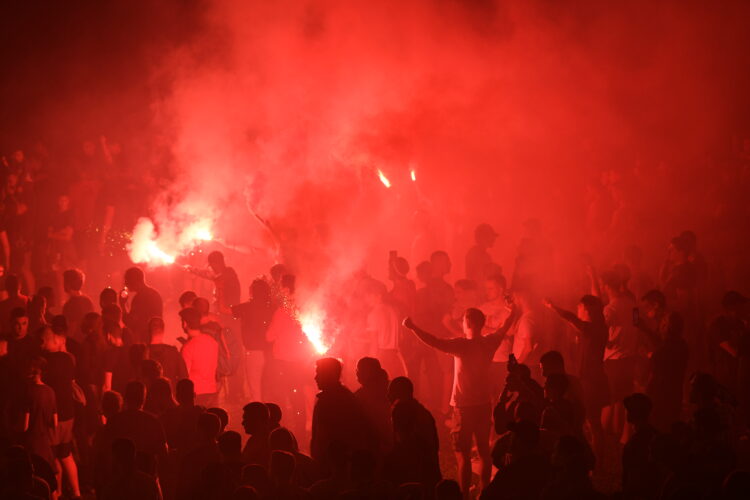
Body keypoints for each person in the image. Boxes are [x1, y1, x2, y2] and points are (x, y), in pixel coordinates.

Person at [403, 306, 518, 498]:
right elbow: (504, 327)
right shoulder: (490, 342)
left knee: (462, 455)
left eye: (463, 321)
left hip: (463, 407)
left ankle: (464, 495)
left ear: (469, 323)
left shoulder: (461, 345)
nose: (462, 325)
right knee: (484, 450)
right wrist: (512, 312)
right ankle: (485, 492)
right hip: (483, 404)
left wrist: (412, 327)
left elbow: (434, 342)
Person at [545, 296, 609, 456]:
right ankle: (594, 460)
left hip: (592, 381)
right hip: (590, 378)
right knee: (590, 422)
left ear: (586, 309)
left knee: (593, 423)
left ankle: (597, 463)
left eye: (579, 307)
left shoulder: (594, 328)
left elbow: (572, 319)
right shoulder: (596, 327)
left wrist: (554, 307)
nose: (577, 310)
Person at [310, 357, 377, 474]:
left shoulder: (335, 400)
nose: (315, 378)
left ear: (329, 374)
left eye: (319, 373)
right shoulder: (342, 397)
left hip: (334, 466)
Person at [106, 381, 167, 477]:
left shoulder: (114, 420)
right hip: (146, 476)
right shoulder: (153, 421)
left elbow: (105, 449)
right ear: (144, 398)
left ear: (125, 397)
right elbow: (163, 451)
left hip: (119, 476)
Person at [232, 279, 275, 401]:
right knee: (268, 388)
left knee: (255, 390)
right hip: (270, 352)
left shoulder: (246, 307)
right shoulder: (272, 308)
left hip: (254, 353)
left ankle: (258, 416)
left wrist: (219, 289)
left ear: (253, 292)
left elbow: (225, 310)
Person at [21, 356, 58, 472]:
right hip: (45, 440)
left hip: (32, 440)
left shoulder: (29, 392)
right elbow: (55, 423)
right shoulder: (51, 391)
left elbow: (24, 426)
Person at [621, 393, 659, 499]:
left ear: (632, 413)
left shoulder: (634, 444)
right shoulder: (656, 435)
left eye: (627, 409)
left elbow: (633, 479)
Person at [364, 280, 405, 377]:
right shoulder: (394, 310)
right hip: (395, 357)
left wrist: (370, 365)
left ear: (379, 296)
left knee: (381, 388)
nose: (366, 299)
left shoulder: (374, 314)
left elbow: (374, 344)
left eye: (369, 295)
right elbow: (401, 337)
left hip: (382, 357)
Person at [179, 306, 219, 407]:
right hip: (212, 391)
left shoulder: (188, 347)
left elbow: (185, 375)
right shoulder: (212, 342)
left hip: (196, 394)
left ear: (185, 324)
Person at [354, 357, 393, 454]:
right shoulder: (392, 387)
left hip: (376, 447)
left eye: (359, 370)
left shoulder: (360, 396)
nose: (356, 374)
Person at [120, 267, 163, 344]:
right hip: (156, 340)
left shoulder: (140, 298)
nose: (125, 283)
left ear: (135, 280)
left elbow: (131, 323)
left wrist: (122, 305)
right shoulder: (154, 294)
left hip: (143, 342)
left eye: (127, 279)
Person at [147, 317, 188, 389]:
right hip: (170, 397)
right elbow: (184, 377)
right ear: (163, 330)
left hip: (149, 398)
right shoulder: (173, 352)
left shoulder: (143, 353)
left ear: (149, 331)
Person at [61, 268, 94, 342]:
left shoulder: (70, 304)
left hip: (75, 342)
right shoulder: (87, 301)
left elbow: (72, 327)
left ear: (68, 284)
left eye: (64, 281)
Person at [241, 401, 272, 467]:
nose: (243, 423)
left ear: (258, 420)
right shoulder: (255, 439)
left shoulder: (266, 442)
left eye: (246, 419)